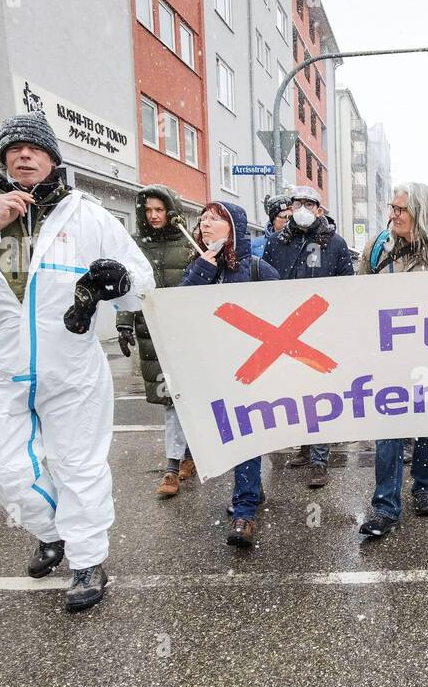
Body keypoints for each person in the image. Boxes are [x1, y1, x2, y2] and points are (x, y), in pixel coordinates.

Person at [0, 113, 155, 611]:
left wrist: (119, 283)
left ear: (53, 159)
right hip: (3, 365)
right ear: (2, 161)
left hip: (73, 367)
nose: (22, 155)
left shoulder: (87, 216)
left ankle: (86, 562)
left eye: (33, 149)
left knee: (77, 465)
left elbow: (142, 285)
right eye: (12, 150)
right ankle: (54, 532)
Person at [356, 182, 428, 538]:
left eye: (400, 210)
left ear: (421, 213)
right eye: (391, 208)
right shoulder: (378, 249)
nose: (392, 215)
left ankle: (423, 486)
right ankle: (385, 507)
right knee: (388, 433)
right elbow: (356, 294)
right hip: (389, 360)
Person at [181, 202, 280, 547]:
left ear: (233, 229)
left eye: (214, 220)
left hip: (249, 368)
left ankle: (244, 511)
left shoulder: (256, 269)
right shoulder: (198, 266)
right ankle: (250, 489)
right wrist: (201, 272)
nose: (205, 225)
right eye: (203, 220)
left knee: (245, 432)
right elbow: (180, 309)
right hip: (213, 366)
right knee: (229, 433)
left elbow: (281, 307)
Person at [263, 186, 354, 488]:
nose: (302, 208)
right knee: (296, 392)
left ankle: (319, 459)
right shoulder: (276, 243)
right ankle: (304, 446)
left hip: (321, 329)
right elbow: (264, 283)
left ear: (319, 209)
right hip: (286, 329)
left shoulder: (335, 244)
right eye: (297, 202)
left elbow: (346, 286)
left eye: (308, 203)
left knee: (319, 392)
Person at [115, 185, 196, 497]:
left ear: (170, 210)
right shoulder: (135, 246)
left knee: (187, 399)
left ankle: (182, 460)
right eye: (148, 210)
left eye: (159, 210)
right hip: (151, 333)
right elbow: (126, 288)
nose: (153, 216)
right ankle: (174, 464)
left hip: (186, 333)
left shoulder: (187, 244)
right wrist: (123, 325)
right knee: (171, 401)